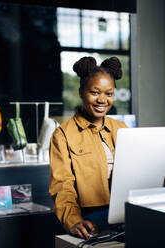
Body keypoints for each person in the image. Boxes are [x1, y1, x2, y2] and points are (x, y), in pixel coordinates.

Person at [49, 56, 127, 239]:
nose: (102, 100)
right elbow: (62, 186)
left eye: (109, 94)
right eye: (95, 92)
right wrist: (73, 220)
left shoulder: (121, 129)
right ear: (81, 92)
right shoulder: (63, 135)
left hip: (127, 209)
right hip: (92, 216)